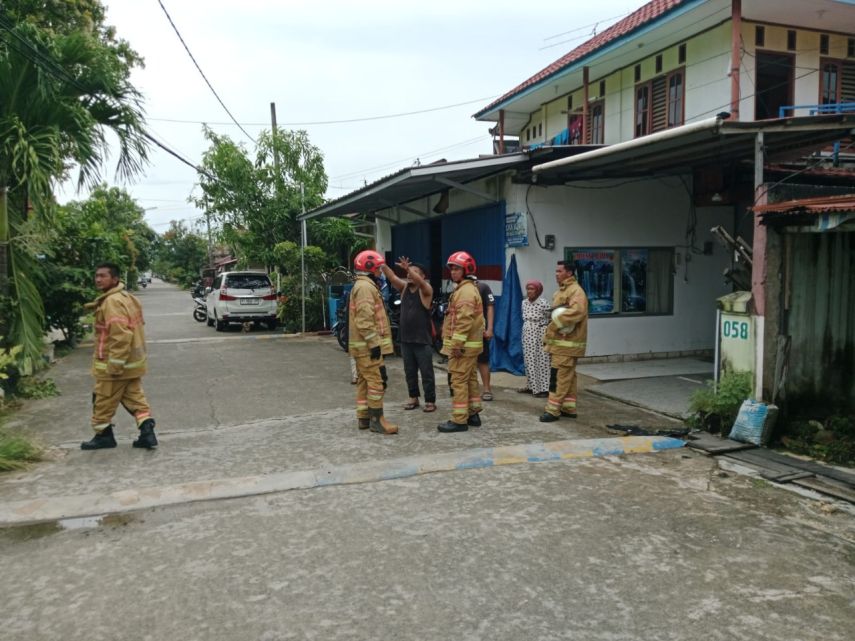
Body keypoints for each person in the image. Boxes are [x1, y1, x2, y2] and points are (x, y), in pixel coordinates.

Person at [80, 263, 158, 450]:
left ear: (115, 279)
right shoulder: (126, 298)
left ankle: (103, 436)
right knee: (136, 400)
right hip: (132, 364)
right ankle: (147, 434)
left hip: (115, 366)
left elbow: (120, 335)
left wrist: (114, 365)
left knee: (102, 400)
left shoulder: (112, 302)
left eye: (103, 276)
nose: (98, 279)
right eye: (97, 275)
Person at [349, 250, 398, 435]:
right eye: (378, 268)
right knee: (377, 382)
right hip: (367, 348)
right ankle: (377, 421)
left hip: (362, 347)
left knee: (364, 381)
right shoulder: (365, 288)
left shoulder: (364, 286)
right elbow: (364, 319)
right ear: (369, 268)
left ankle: (364, 417)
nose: (380, 272)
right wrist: (374, 343)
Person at [380, 257, 437, 413]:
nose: (411, 275)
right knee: (409, 371)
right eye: (410, 272)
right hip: (405, 339)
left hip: (422, 340)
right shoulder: (404, 288)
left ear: (423, 276)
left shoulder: (426, 290)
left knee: (426, 372)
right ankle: (413, 397)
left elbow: (421, 282)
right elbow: (392, 277)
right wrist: (381, 264)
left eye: (415, 272)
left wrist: (408, 269)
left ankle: (430, 400)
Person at [438, 251, 485, 433]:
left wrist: (456, 345)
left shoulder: (465, 291)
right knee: (469, 379)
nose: (453, 272)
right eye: (451, 269)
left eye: (457, 269)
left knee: (458, 381)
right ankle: (473, 414)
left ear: (466, 270)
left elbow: (464, 321)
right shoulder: (467, 289)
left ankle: (459, 420)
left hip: (463, 347)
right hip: (470, 346)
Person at [540, 260, 589, 422]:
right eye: (555, 271)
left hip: (567, 344)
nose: (556, 274)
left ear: (569, 273)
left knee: (559, 377)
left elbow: (577, 312)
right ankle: (569, 407)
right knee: (568, 377)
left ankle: (552, 410)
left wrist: (553, 326)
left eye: (559, 271)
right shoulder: (562, 291)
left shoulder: (576, 291)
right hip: (560, 344)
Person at [520, 280, 551, 398]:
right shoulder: (524, 303)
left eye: (532, 289)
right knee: (529, 359)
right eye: (528, 289)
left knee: (542, 359)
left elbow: (550, 319)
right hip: (527, 332)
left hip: (540, 332)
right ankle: (532, 386)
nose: (529, 291)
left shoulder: (543, 303)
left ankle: (544, 389)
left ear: (538, 291)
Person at [474, 278, 495, 401]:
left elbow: (490, 307)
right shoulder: (459, 288)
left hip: (480, 330)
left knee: (482, 360)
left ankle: (487, 389)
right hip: (463, 332)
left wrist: (490, 328)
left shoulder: (483, 287)